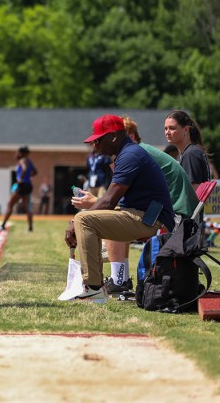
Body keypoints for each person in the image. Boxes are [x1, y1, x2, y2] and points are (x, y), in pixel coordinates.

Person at [66, 115, 175, 303]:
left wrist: (75, 222)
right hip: (146, 215)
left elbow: (108, 201)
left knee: (83, 220)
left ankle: (93, 288)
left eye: (98, 140)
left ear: (114, 137)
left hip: (153, 220)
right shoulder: (127, 153)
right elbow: (113, 202)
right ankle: (102, 282)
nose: (95, 145)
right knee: (89, 220)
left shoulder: (130, 155)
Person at [88, 115, 200, 296]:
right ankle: (120, 278)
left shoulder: (134, 154)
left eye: (104, 138)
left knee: (114, 220)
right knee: (117, 215)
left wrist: (92, 204)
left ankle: (119, 280)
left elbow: (115, 200)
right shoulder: (138, 152)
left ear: (126, 135)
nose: (98, 145)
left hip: (174, 212)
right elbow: (126, 199)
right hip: (169, 207)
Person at [164, 110, 212, 190]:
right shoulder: (189, 152)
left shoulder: (191, 154)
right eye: (165, 128)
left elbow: (194, 190)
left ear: (186, 129)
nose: (167, 132)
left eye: (172, 128)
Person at [0, 146, 36, 232]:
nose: (16, 154)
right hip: (28, 185)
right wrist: (28, 177)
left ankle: (3, 225)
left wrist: (20, 179)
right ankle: (30, 227)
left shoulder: (22, 160)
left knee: (10, 204)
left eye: (17, 152)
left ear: (21, 153)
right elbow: (35, 172)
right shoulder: (29, 161)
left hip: (22, 185)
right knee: (26, 207)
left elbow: (25, 169)